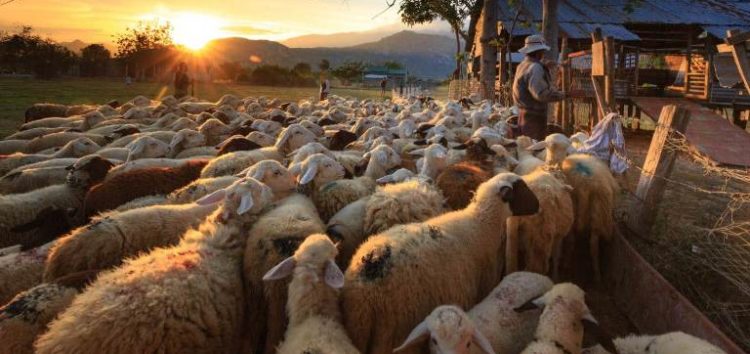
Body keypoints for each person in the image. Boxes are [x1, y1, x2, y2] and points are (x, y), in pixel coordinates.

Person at [512, 34, 565, 141]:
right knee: (535, 148)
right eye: (542, 52)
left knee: (525, 148)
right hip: (534, 118)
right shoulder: (535, 67)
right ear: (538, 52)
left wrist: (544, 66)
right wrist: (565, 94)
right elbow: (541, 94)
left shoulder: (522, 65)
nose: (543, 54)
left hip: (523, 115)